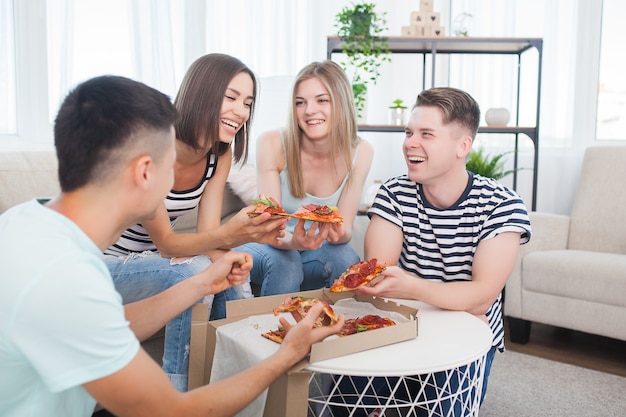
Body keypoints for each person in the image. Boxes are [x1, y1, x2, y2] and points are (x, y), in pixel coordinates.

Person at [0, 75, 344, 417]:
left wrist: (203, 283)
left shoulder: (26, 226)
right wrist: (288, 353)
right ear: (145, 172)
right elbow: (173, 411)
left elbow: (106, 321)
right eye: (170, 163)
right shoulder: (61, 278)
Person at [329, 86, 530, 416]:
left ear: (462, 146)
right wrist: (456, 301)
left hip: (465, 334)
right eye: (409, 132)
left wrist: (411, 287)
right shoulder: (394, 193)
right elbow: (378, 280)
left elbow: (481, 297)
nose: (410, 143)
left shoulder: (502, 205)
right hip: (399, 321)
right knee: (340, 401)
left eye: (426, 134)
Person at [103, 53, 287, 391]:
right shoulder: (152, 144)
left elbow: (208, 236)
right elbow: (168, 244)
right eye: (230, 97)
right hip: (107, 265)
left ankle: (237, 390)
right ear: (202, 92)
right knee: (192, 271)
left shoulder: (220, 153)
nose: (241, 112)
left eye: (247, 103)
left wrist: (247, 241)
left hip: (159, 262)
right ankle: (177, 394)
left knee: (229, 272)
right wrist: (229, 236)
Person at [237, 60, 374, 296]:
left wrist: (340, 234)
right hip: (268, 245)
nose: (309, 110)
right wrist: (295, 242)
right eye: (300, 102)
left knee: (346, 255)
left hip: (315, 250)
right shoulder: (270, 143)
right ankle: (276, 330)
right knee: (286, 262)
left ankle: (341, 327)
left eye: (322, 100)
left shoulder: (362, 152)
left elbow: (346, 227)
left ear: (341, 103)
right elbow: (269, 228)